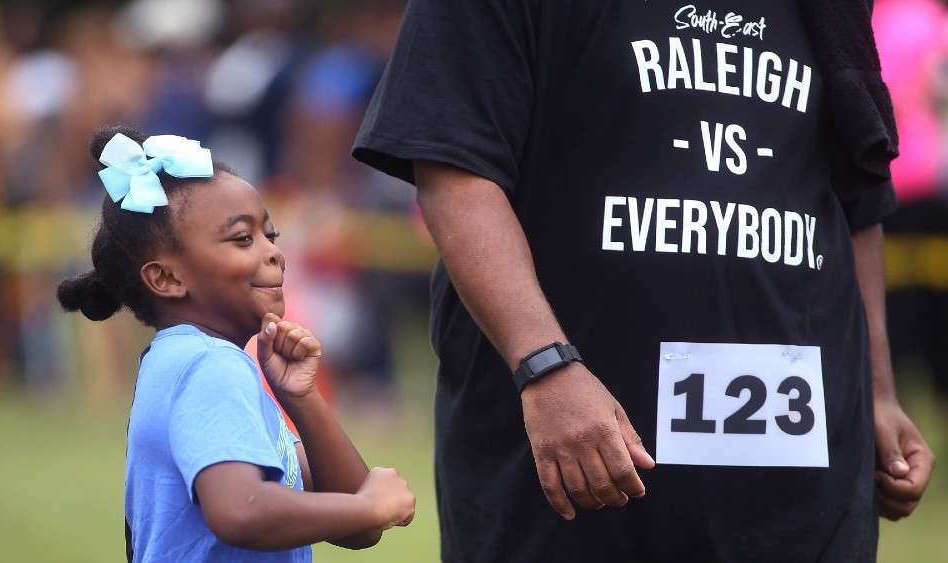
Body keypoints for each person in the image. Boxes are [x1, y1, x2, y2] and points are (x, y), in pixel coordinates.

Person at [352, 1, 936, 561]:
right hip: (573, 474)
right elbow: (456, 171)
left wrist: (879, 394)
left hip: (799, 489)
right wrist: (545, 364)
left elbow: (857, 196)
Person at [56, 125, 415, 562]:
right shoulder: (207, 366)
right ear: (166, 278)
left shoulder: (205, 362)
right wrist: (369, 505)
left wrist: (302, 399)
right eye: (243, 238)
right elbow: (240, 512)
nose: (274, 253)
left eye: (271, 236)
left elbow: (357, 530)